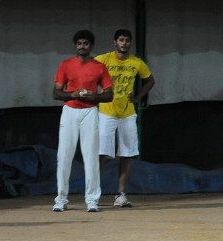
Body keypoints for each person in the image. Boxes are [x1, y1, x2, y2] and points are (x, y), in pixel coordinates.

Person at [52, 30, 113, 212]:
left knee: (91, 157)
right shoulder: (66, 65)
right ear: (75, 45)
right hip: (69, 110)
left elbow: (109, 95)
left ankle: (92, 200)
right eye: (79, 43)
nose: (82, 46)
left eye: (85, 43)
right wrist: (73, 94)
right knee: (64, 156)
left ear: (91, 46)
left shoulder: (99, 67)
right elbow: (56, 93)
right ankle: (61, 200)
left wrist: (93, 96)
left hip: (90, 112)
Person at [97, 28, 155, 208]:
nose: (124, 43)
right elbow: (87, 73)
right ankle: (93, 194)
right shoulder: (102, 59)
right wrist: (94, 95)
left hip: (127, 113)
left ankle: (120, 195)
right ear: (114, 42)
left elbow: (150, 80)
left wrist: (138, 98)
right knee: (102, 154)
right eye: (121, 40)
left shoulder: (136, 62)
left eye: (127, 41)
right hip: (106, 112)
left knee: (127, 154)